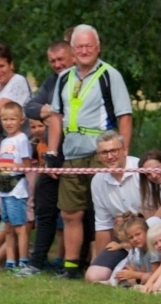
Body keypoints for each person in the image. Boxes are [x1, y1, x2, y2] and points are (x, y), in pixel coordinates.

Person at [46, 24, 135, 278]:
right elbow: (55, 116)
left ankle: (107, 263)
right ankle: (71, 267)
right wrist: (52, 152)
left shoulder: (110, 74)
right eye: (79, 47)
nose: (84, 51)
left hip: (102, 151)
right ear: (72, 50)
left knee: (106, 210)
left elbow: (125, 116)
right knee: (71, 211)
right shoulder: (64, 77)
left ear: (98, 47)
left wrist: (123, 153)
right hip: (72, 153)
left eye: (89, 46)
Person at [18, 40, 76, 276]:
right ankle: (36, 262)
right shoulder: (52, 81)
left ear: (72, 57)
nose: (57, 64)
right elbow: (29, 107)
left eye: (61, 59)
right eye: (52, 61)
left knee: (77, 212)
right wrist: (53, 112)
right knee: (44, 207)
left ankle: (75, 264)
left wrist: (54, 113)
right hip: (52, 155)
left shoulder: (82, 80)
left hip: (76, 154)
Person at [85, 132, 143, 284]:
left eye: (114, 151)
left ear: (124, 150)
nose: (110, 157)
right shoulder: (97, 180)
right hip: (122, 240)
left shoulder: (140, 169)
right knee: (93, 276)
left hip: (149, 236)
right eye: (104, 152)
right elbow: (103, 224)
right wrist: (98, 259)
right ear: (98, 156)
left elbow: (157, 215)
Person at [0, 101, 33, 270]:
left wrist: (4, 167)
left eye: (12, 119)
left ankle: (23, 262)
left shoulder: (21, 140)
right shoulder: (5, 140)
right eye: (4, 119)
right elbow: (4, 163)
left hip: (16, 189)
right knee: (7, 227)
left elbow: (27, 166)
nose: (8, 123)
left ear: (21, 120)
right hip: (4, 188)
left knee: (19, 227)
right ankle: (10, 261)